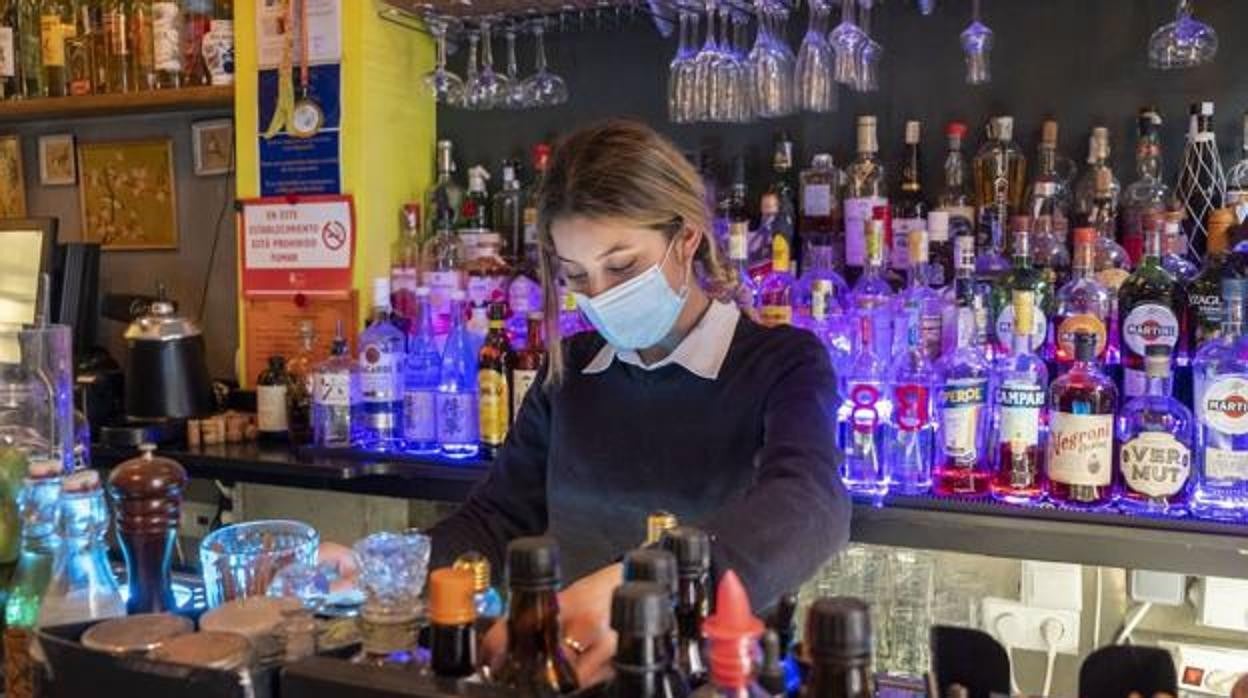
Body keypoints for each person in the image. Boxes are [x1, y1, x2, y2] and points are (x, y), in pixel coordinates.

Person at [429, 120, 850, 685]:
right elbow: (496, 519)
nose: (599, 295)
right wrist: (388, 566)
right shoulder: (571, 369)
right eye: (578, 275)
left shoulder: (781, 363)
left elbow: (811, 504)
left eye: (623, 266)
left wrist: (660, 583)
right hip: (575, 674)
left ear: (688, 238)